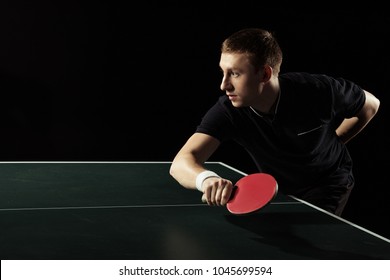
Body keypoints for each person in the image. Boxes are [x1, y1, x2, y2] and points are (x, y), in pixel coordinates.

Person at [169, 27, 380, 216]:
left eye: (234, 74)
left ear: (265, 74)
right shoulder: (229, 111)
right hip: (280, 186)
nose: (224, 85)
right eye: (223, 72)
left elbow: (371, 104)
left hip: (327, 182)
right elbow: (181, 162)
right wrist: (206, 179)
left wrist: (338, 139)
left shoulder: (318, 91)